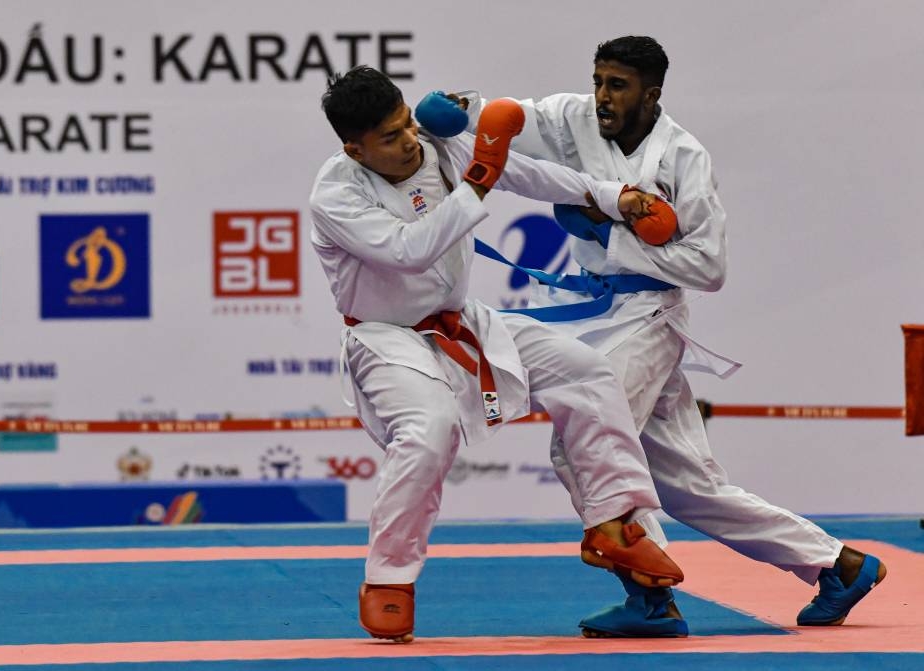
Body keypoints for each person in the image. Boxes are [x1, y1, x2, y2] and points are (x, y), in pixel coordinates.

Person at [439, 36, 886, 637]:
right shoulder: (575, 117)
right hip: (598, 315)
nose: (602, 96)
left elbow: (709, 267)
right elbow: (511, 118)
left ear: (651, 94)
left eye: (618, 86)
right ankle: (840, 565)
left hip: (649, 317)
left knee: (584, 446)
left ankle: (650, 600)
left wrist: (611, 234)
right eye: (598, 81)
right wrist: (459, 108)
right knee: (689, 488)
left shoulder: (683, 157)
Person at [309, 65, 686, 643]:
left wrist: (617, 196)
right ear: (353, 149)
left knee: (587, 372)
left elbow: (529, 175)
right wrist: (479, 179)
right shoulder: (336, 193)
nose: (408, 140)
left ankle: (612, 523)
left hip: (465, 323)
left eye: (406, 123)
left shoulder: (438, 147)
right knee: (429, 430)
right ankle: (389, 578)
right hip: (386, 339)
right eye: (389, 137)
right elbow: (408, 250)